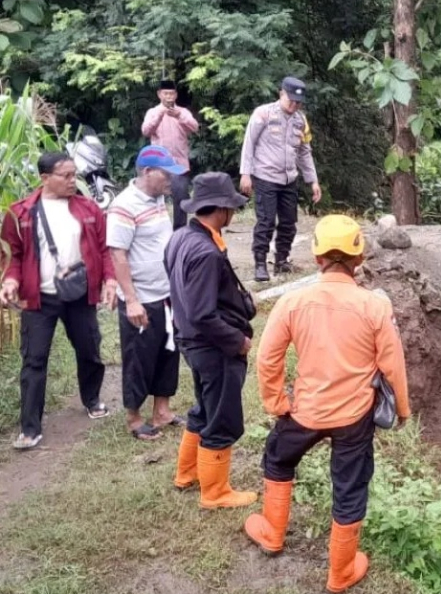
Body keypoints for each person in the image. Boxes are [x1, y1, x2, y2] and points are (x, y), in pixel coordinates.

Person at [247, 214, 411, 594]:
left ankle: (272, 533)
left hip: (304, 411)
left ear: (318, 258)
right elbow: (393, 365)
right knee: (350, 486)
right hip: (355, 417)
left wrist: (276, 401)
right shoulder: (373, 307)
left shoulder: (293, 302)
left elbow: (267, 358)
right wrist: (402, 409)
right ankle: (340, 572)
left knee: (278, 459)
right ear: (359, 260)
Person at [0, 152, 118, 450]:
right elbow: (11, 256)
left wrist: (111, 281)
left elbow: (105, 250)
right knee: (34, 360)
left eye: (74, 174)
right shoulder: (20, 213)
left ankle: (92, 399)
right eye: (65, 175)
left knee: (89, 349)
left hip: (79, 295)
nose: (72, 180)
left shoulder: (88, 208)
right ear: (44, 178)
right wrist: (11, 280)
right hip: (38, 298)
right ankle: (30, 428)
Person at [165, 172, 257, 509]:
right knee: (222, 415)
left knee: (204, 408)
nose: (234, 213)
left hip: (189, 341)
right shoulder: (206, 253)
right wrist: (237, 341)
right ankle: (215, 492)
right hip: (213, 347)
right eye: (231, 206)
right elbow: (204, 313)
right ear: (221, 208)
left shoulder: (179, 239)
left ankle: (187, 473)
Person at [107, 145, 187, 441]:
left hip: (166, 293)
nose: (171, 181)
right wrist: (132, 300)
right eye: (166, 175)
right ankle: (133, 417)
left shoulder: (158, 198)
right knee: (139, 357)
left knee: (168, 350)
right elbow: (118, 255)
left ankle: (162, 411)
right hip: (142, 296)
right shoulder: (124, 206)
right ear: (146, 172)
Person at [239, 76, 322, 282]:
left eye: (298, 102)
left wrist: (313, 180)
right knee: (266, 222)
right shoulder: (263, 114)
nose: (294, 105)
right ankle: (260, 264)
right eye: (291, 100)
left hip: (289, 179)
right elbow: (249, 143)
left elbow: (304, 152)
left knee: (288, 223)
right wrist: (245, 174)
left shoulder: (301, 120)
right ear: (281, 94)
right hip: (266, 176)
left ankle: (282, 261)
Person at [141, 79, 199, 230]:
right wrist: (160, 115)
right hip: (159, 165)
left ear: (176, 95)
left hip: (179, 165)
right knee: (156, 199)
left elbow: (194, 127)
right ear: (159, 94)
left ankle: (179, 232)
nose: (169, 97)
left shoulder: (183, 112)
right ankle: (156, 229)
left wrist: (179, 115)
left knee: (181, 200)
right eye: (165, 93)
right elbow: (146, 131)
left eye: (171, 93)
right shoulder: (153, 112)